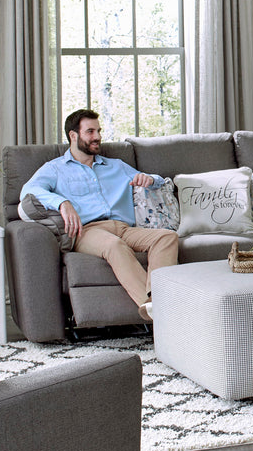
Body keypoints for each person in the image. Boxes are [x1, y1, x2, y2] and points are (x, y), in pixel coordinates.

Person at [20, 109, 178, 322]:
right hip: (87, 232)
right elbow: (28, 191)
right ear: (73, 135)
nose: (97, 137)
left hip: (124, 228)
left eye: (99, 131)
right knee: (114, 246)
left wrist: (149, 179)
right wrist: (62, 203)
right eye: (90, 131)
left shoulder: (116, 166)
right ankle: (162, 314)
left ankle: (157, 303)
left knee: (167, 237)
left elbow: (156, 179)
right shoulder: (55, 169)